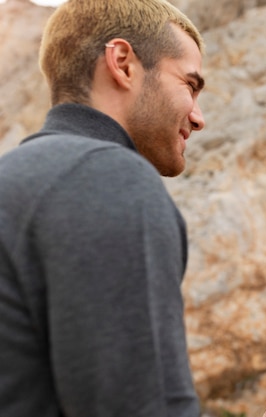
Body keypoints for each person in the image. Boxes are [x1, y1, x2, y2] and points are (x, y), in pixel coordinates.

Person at [0, 1, 207, 415]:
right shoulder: (109, 178)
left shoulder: (15, 180)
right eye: (190, 84)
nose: (198, 118)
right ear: (123, 63)